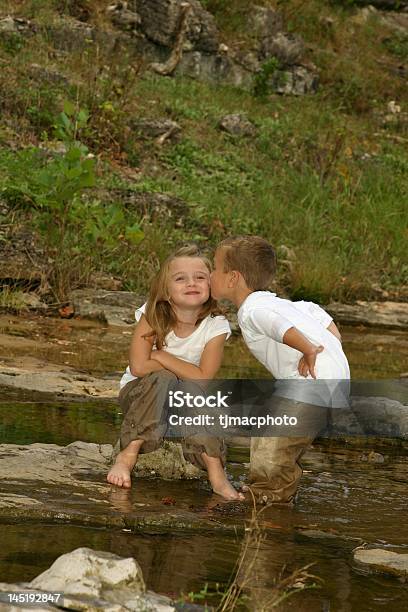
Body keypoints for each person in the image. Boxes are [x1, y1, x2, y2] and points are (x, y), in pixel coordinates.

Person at [210, 235, 350, 505]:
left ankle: (268, 505)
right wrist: (328, 351)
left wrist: (308, 350)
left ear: (232, 278)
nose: (211, 274)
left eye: (215, 268)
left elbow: (274, 324)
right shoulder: (286, 304)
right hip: (333, 382)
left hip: (308, 385)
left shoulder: (252, 309)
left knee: (271, 446)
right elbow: (319, 314)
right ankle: (273, 493)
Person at [107, 244, 244, 501]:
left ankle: (217, 474)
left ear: (211, 285)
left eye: (200, 277)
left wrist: (160, 355)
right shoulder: (152, 315)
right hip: (142, 397)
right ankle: (128, 454)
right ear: (165, 290)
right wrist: (179, 368)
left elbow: (203, 378)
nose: (191, 283)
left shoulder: (216, 326)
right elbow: (138, 367)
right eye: (180, 278)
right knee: (165, 377)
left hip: (184, 401)